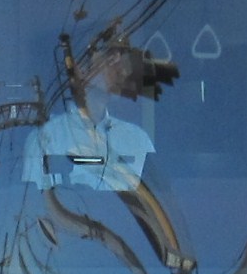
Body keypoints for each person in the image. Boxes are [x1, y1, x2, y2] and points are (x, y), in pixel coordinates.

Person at [22, 39, 156, 193]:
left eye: (124, 62)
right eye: (112, 59)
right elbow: (37, 204)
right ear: (80, 70)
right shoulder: (45, 139)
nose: (123, 71)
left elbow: (150, 205)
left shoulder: (137, 139)